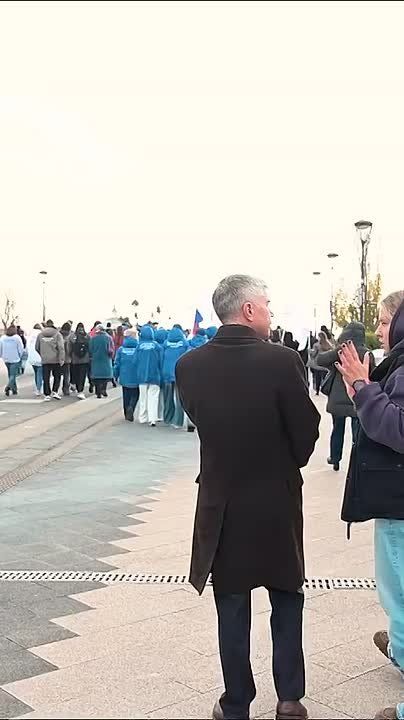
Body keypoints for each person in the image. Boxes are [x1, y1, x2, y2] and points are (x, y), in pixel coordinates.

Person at [176, 274, 320, 720]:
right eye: (267, 305)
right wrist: (287, 460)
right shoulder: (283, 360)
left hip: (222, 503)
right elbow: (305, 430)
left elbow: (198, 418)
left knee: (232, 604)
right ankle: (290, 698)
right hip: (276, 500)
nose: (271, 312)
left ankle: (236, 701)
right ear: (249, 309)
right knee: (287, 596)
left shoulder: (189, 366)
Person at [336, 291, 404, 720]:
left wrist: (363, 387)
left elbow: (397, 427)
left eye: (383, 321)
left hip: (400, 501)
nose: (378, 330)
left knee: (399, 591)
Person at [317, 321, 372, 471]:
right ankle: (357, 460)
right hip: (358, 398)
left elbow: (320, 360)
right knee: (357, 433)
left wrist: (338, 351)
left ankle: (335, 459)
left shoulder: (341, 351)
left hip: (337, 399)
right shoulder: (367, 353)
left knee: (337, 430)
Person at [162, 326, 189, 427]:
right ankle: (178, 421)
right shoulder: (184, 344)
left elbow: (161, 358)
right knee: (179, 399)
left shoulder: (165, 343)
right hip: (179, 374)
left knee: (167, 398)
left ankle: (167, 418)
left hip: (167, 373)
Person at [136, 325, 163, 427]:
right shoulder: (157, 346)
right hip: (155, 375)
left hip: (142, 375)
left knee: (143, 398)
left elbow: (135, 360)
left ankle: (143, 417)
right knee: (153, 397)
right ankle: (153, 419)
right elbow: (161, 361)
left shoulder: (139, 346)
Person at [35, 320, 65, 401]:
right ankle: (55, 391)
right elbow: (61, 348)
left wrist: (42, 354)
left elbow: (37, 347)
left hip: (45, 359)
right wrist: (61, 359)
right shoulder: (57, 334)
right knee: (57, 376)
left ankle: (47, 394)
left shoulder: (40, 335)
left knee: (46, 377)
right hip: (56, 359)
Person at [114, 329, 139, 421]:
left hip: (124, 376)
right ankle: (131, 407)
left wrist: (115, 375)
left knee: (126, 395)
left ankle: (126, 412)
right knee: (135, 394)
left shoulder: (121, 349)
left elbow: (117, 364)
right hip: (136, 376)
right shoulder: (138, 349)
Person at [89, 324, 113, 398]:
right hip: (106, 359)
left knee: (97, 377)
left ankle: (98, 392)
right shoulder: (108, 338)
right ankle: (104, 389)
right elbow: (112, 348)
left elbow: (90, 349)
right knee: (105, 376)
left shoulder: (93, 338)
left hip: (96, 359)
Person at [0, 325, 24, 396]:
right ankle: (8, 387)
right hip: (15, 358)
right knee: (13, 375)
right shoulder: (17, 337)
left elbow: (0, 348)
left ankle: (14, 390)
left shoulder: (3, 338)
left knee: (10, 374)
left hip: (6, 358)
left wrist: (1, 355)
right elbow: (21, 348)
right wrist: (20, 355)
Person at [68, 323, 90, 400]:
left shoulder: (72, 336)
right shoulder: (87, 336)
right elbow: (90, 347)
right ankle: (80, 391)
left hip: (75, 359)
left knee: (76, 374)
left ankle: (77, 388)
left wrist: (70, 355)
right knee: (82, 376)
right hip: (85, 359)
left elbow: (69, 348)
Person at [308, 330, 332, 395]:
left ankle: (317, 391)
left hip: (318, 364)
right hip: (325, 365)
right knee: (324, 377)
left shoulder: (316, 345)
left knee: (317, 378)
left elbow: (313, 354)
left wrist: (310, 351)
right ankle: (325, 389)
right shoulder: (329, 345)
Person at [27, 323, 43, 396]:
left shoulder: (30, 335)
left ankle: (37, 388)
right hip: (40, 357)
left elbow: (27, 346)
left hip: (32, 357)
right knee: (40, 374)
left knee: (36, 373)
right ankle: (39, 389)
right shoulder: (41, 334)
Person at [60, 322, 73, 396]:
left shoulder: (58, 335)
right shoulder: (69, 336)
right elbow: (69, 349)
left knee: (57, 375)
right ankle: (66, 389)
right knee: (66, 375)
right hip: (67, 358)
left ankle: (55, 389)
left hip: (58, 358)